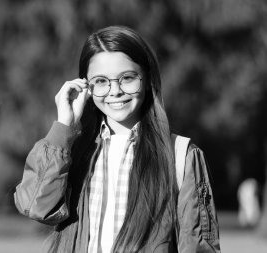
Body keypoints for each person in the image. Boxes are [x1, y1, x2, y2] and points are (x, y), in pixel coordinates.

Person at [14, 26, 221, 253]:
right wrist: (64, 125)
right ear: (86, 87)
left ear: (147, 78)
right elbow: (36, 206)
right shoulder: (70, 150)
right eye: (101, 81)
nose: (115, 91)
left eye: (127, 78)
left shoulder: (180, 155)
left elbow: (199, 247)